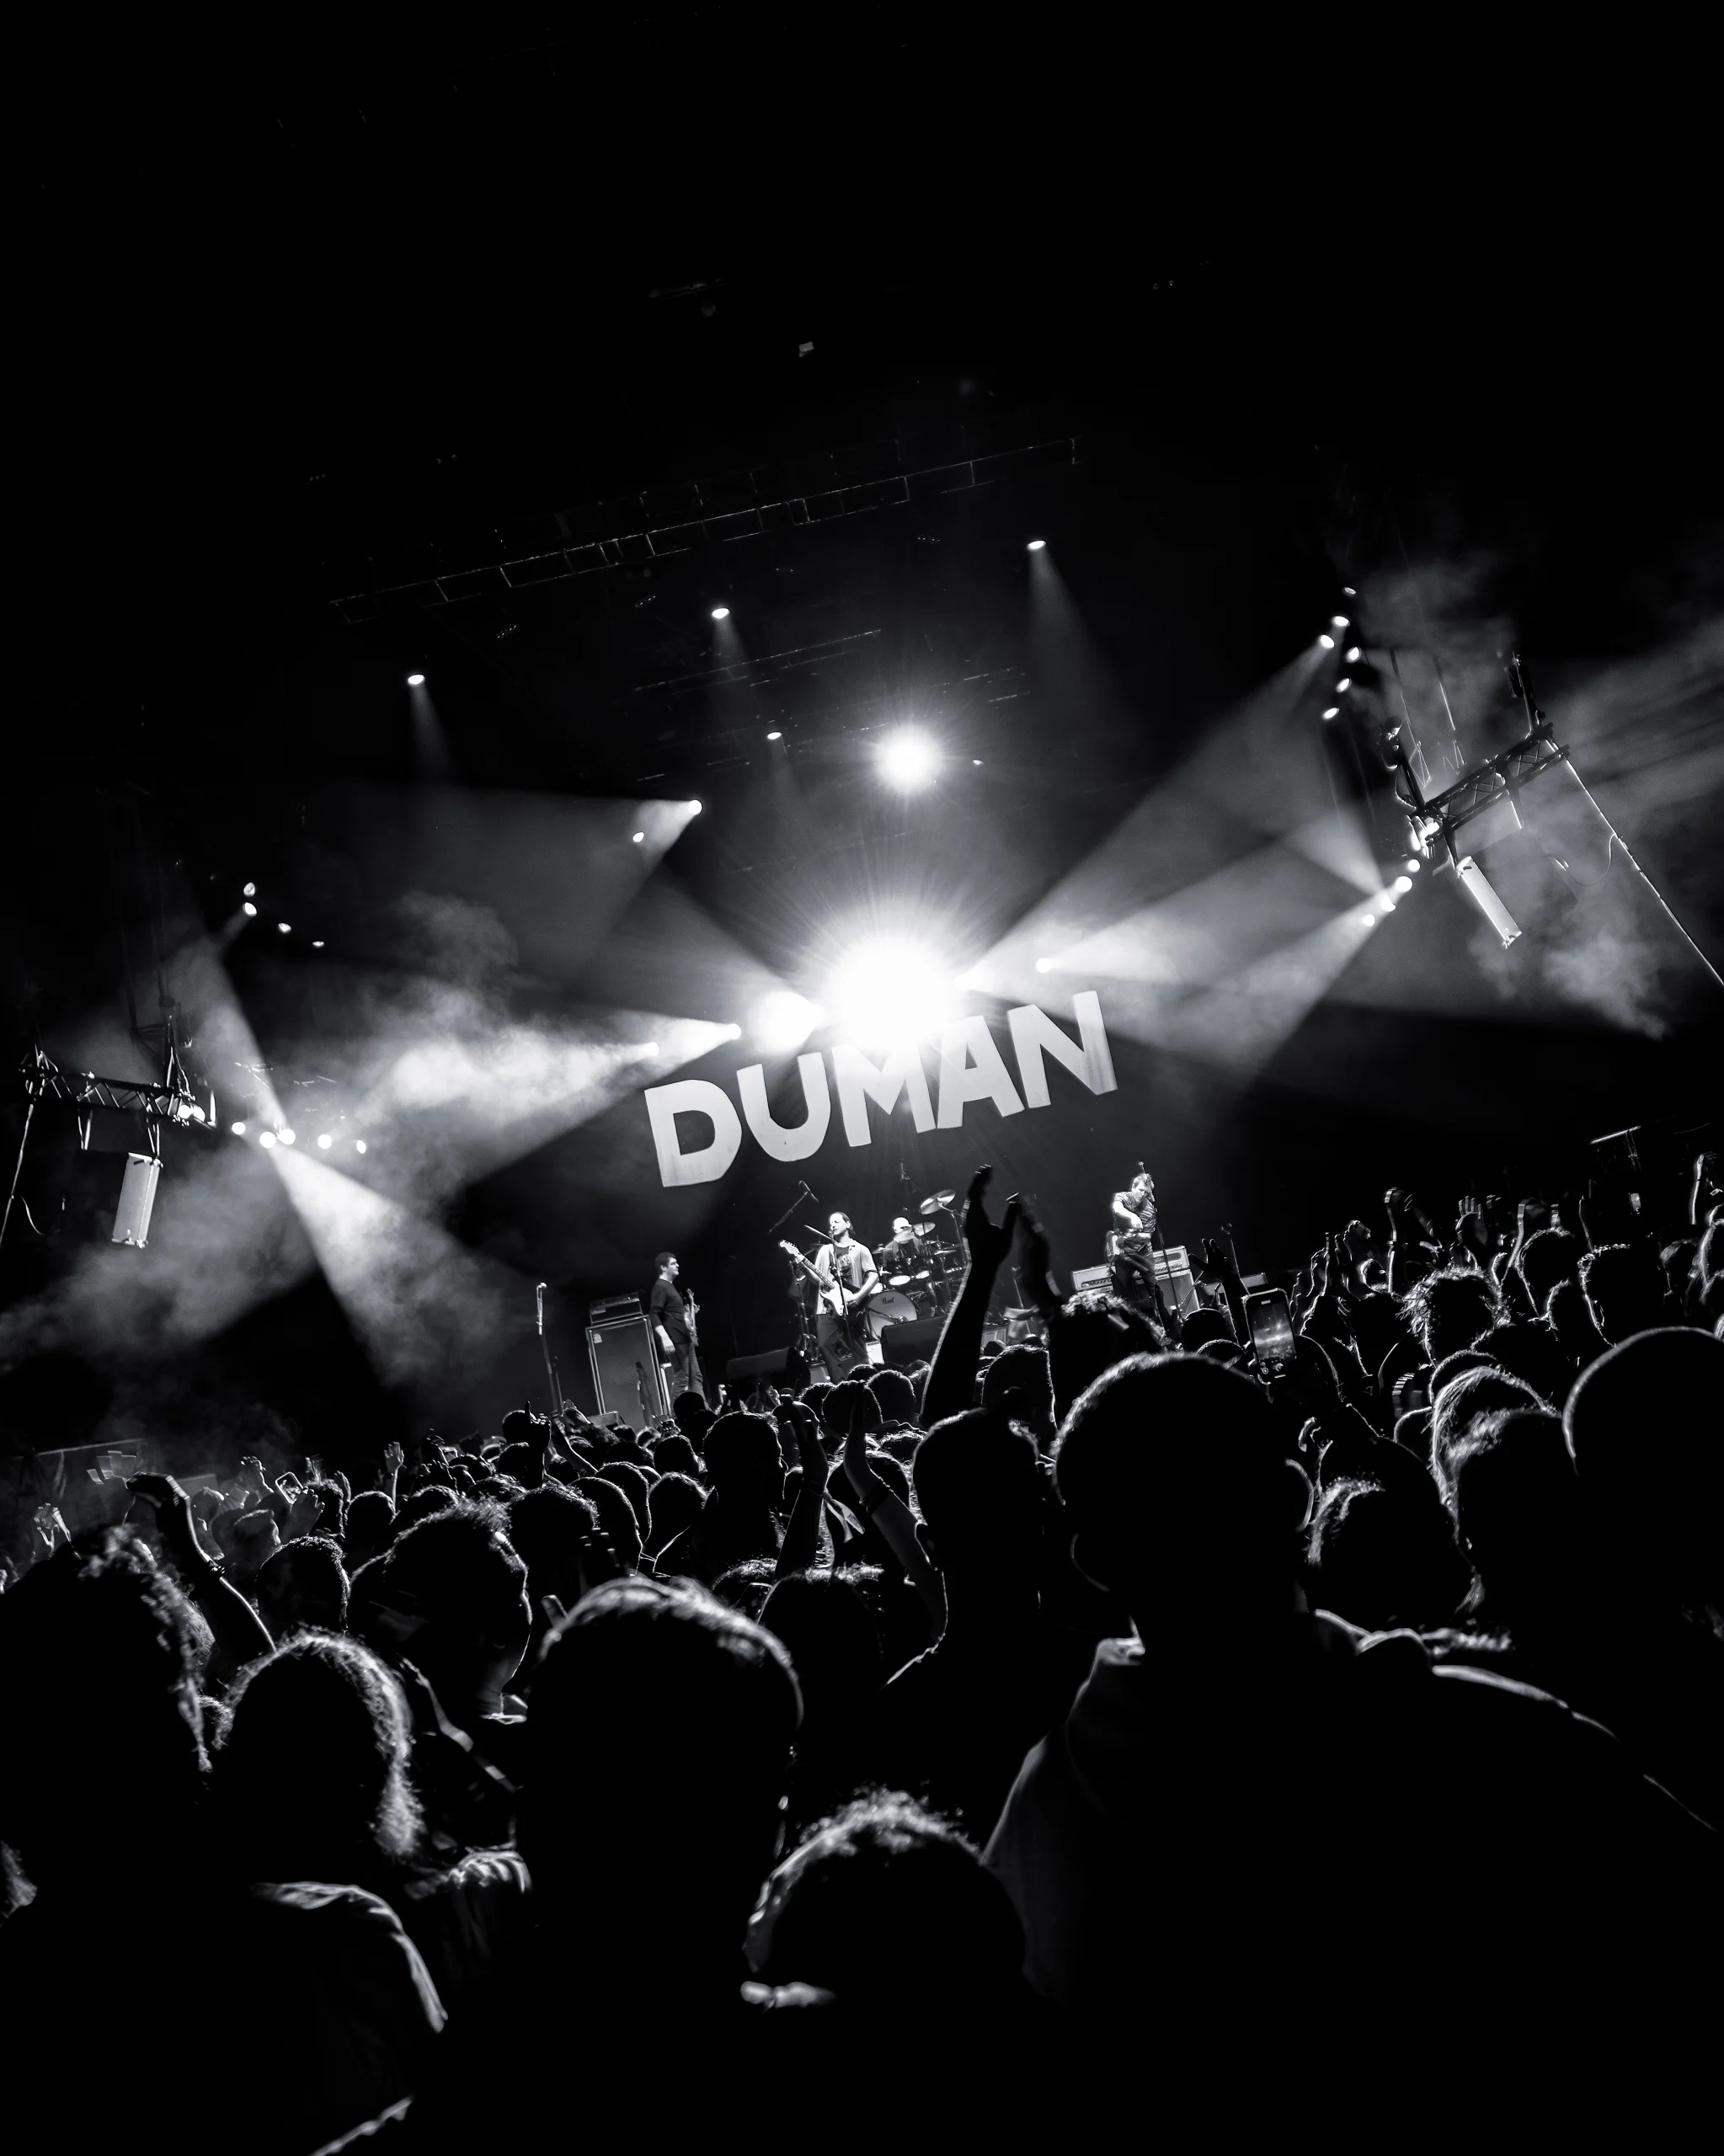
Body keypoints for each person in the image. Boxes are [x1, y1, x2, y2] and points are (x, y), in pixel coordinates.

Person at [810, 1211, 880, 1380]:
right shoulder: (825, 1250)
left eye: (836, 1221)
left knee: (857, 1346)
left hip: (851, 1305)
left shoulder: (860, 1249)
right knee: (825, 1345)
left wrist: (859, 1296)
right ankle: (840, 1384)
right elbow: (817, 1278)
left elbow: (874, 1275)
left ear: (848, 1224)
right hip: (826, 1307)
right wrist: (803, 1266)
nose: (832, 1225)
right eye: (830, 1223)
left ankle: (866, 1381)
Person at [650, 1251, 697, 1403]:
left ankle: (702, 1411)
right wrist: (665, 1338)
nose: (677, 1265)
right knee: (682, 1379)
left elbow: (674, 1314)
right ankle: (675, 1415)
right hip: (676, 1341)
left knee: (696, 1378)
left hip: (685, 1338)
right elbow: (654, 1314)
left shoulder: (670, 1286)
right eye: (673, 1263)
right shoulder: (660, 1287)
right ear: (663, 1268)